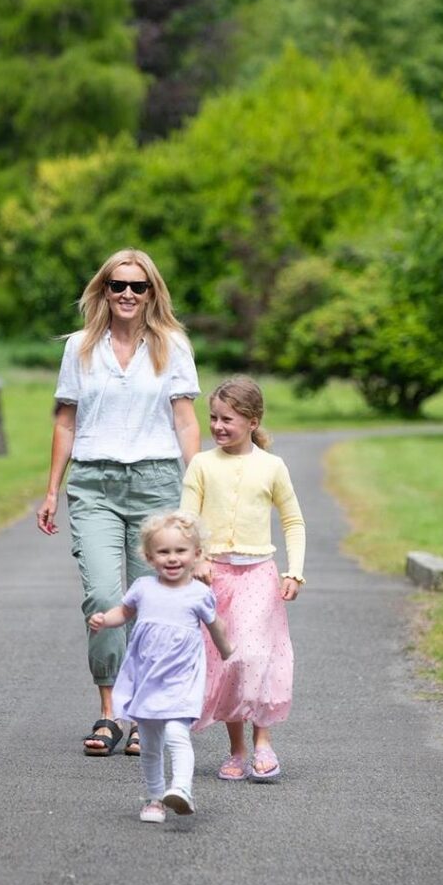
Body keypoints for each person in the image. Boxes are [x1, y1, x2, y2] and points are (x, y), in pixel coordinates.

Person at [37, 248, 201, 758]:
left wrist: (195, 490)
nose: (127, 294)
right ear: (103, 291)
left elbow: (186, 421)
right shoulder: (81, 348)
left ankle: (142, 712)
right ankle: (111, 712)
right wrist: (51, 490)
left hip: (156, 482)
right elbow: (66, 420)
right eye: (117, 285)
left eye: (138, 286)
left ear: (152, 292)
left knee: (152, 604)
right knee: (105, 598)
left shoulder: (171, 345)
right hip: (95, 484)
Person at [180, 376, 306, 782]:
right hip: (214, 578)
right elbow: (187, 519)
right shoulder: (201, 464)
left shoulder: (271, 467)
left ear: (253, 421)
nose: (217, 426)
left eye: (227, 419)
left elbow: (293, 520)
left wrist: (295, 570)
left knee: (255, 655)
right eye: (213, 418)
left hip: (258, 575)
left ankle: (263, 743)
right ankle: (236, 750)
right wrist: (196, 558)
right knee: (228, 662)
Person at [89, 511, 231, 822]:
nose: (172, 558)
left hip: (182, 679)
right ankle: (154, 798)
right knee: (150, 745)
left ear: (196, 554)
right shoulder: (143, 587)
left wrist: (226, 651)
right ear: (150, 556)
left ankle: (181, 789)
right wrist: (104, 620)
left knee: (177, 735)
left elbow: (216, 626)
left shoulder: (199, 593)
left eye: (180, 551)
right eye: (163, 552)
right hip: (147, 680)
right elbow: (123, 613)